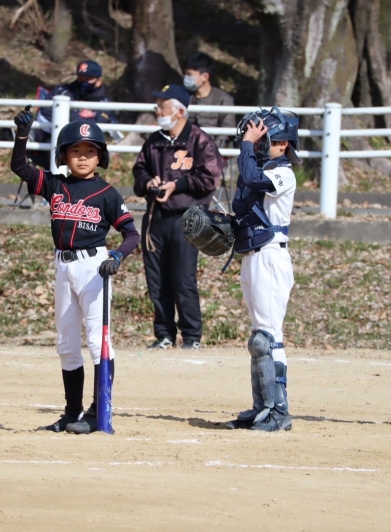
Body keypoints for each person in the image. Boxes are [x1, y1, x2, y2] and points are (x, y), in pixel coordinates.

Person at [11, 106, 140, 435]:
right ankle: (72, 413)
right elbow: (20, 167)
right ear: (64, 156)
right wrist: (23, 136)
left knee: (97, 342)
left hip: (95, 268)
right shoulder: (55, 185)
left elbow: (131, 234)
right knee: (66, 344)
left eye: (90, 151)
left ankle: (98, 412)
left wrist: (118, 256)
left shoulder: (107, 194)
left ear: (100, 157)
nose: (82, 157)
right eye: (75, 151)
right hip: (63, 267)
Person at [223, 107, 299, 432]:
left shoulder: (284, 172)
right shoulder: (258, 169)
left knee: (268, 337)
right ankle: (261, 408)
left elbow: (255, 179)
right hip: (253, 256)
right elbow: (244, 206)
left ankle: (278, 411)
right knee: (258, 336)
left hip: (271, 256)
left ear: (283, 144)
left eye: (262, 140)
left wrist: (245, 146)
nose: (256, 145)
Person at [132, 85, 223, 349]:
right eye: (157, 106)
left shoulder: (199, 140)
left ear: (180, 111)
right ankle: (164, 334)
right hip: (155, 219)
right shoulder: (154, 141)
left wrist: (177, 185)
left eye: (163, 107)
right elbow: (139, 171)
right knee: (157, 280)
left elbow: (210, 177)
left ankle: (192, 336)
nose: (158, 111)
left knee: (183, 279)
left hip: (187, 218)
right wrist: (148, 182)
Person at [183, 52, 236, 149]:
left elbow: (227, 129)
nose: (186, 78)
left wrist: (212, 150)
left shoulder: (223, 98)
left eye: (189, 75)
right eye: (185, 74)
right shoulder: (184, 96)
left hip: (214, 150)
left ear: (205, 77)